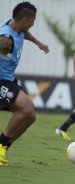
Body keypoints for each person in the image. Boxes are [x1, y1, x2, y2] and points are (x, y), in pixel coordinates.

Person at [0, 2, 49, 166]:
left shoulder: (14, 24)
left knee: (30, 116)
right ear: (24, 19)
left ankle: (4, 146)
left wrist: (38, 43)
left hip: (9, 79)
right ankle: (1, 143)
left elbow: (25, 33)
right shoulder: (5, 40)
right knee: (27, 108)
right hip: (1, 81)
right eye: (32, 21)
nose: (33, 25)